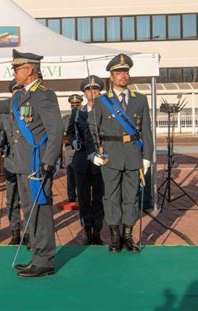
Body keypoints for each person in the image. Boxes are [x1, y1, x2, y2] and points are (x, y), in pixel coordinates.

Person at [0, 49, 63, 278]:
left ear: (29, 70)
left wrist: (49, 163)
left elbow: (56, 130)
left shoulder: (44, 95)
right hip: (21, 164)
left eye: (17, 68)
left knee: (40, 211)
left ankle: (45, 260)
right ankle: (38, 255)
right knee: (29, 211)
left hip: (37, 165)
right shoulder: (20, 96)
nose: (14, 72)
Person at [88, 53, 153, 254]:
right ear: (111, 76)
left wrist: (147, 156)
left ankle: (127, 234)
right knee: (111, 196)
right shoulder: (102, 101)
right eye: (118, 72)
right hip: (110, 155)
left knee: (131, 197)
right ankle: (115, 235)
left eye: (125, 72)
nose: (123, 76)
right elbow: (92, 129)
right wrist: (94, 154)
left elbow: (147, 131)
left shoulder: (140, 100)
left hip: (133, 154)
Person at [67, 76, 105, 245]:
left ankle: (97, 231)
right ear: (84, 93)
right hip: (82, 161)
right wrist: (73, 140)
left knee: (99, 197)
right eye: (90, 90)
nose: (93, 93)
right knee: (83, 198)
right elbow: (70, 131)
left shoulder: (105, 111)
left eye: (96, 90)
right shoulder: (77, 113)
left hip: (100, 161)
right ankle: (87, 230)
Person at [0, 80, 29, 246]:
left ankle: (29, 233)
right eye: (15, 91)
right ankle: (15, 231)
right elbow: (4, 135)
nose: (17, 94)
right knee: (12, 199)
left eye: (20, 90)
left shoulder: (28, 109)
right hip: (10, 160)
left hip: (26, 159)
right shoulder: (4, 112)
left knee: (28, 198)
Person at [64, 94, 82, 202]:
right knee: (70, 172)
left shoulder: (85, 116)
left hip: (83, 147)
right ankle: (71, 195)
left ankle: (82, 194)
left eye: (77, 105)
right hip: (70, 148)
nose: (75, 107)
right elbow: (62, 134)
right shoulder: (65, 118)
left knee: (82, 172)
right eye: (73, 105)